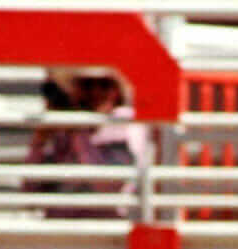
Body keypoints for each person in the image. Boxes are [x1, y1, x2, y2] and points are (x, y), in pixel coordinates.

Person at [25, 67, 149, 218]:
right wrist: (40, 140)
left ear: (117, 92)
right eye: (87, 85)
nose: (95, 92)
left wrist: (78, 129)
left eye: (104, 85)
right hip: (60, 229)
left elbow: (108, 185)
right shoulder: (63, 130)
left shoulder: (124, 123)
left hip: (107, 232)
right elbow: (30, 191)